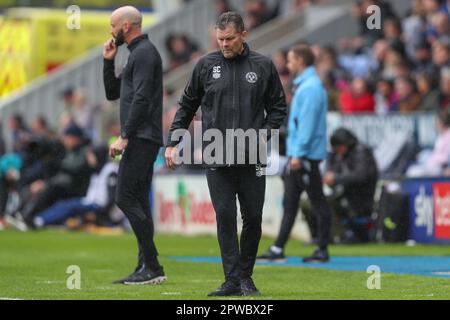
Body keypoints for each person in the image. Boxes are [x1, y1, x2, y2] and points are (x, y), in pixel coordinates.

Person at [165, 11, 286, 296]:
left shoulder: (264, 65)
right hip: (216, 153)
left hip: (252, 155)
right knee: (225, 215)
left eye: (229, 39)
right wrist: (173, 142)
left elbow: (278, 109)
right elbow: (186, 106)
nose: (224, 44)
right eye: (219, 39)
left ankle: (245, 275)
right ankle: (233, 279)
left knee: (254, 217)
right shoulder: (205, 66)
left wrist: (262, 134)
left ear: (244, 35)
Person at [103, 6, 165, 285]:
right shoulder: (136, 54)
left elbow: (141, 100)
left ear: (126, 26)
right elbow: (113, 93)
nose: (111, 31)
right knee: (138, 200)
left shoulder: (144, 53)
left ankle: (152, 264)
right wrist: (108, 62)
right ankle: (146, 266)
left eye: (113, 25)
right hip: (141, 135)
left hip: (142, 137)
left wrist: (125, 135)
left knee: (124, 198)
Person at [258, 44, 331, 263]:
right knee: (290, 203)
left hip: (304, 156)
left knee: (317, 202)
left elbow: (306, 125)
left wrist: (298, 155)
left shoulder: (309, 88)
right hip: (298, 155)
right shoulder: (306, 86)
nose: (287, 64)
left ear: (300, 61)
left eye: (290, 60)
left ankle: (322, 249)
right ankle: (279, 248)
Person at [322, 128, 378, 243]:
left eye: (340, 147)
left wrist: (336, 178)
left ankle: (340, 236)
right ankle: (321, 236)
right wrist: (330, 177)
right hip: (343, 194)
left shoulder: (361, 152)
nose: (339, 150)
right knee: (312, 203)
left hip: (361, 198)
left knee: (328, 203)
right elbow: (330, 172)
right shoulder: (338, 155)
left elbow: (360, 176)